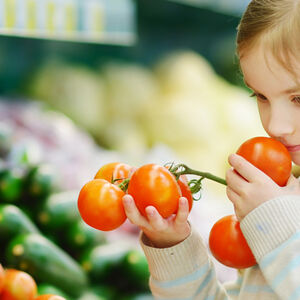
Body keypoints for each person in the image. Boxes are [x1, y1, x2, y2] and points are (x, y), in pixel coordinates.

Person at [122, 0, 300, 299]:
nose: (276, 125)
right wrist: (172, 248)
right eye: (261, 95)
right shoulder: (283, 197)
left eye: (298, 98)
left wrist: (278, 220)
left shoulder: (280, 215)